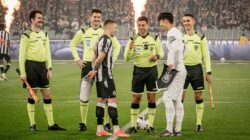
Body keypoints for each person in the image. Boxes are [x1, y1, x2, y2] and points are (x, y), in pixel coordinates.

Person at [69, 9, 120, 132]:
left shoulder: (105, 31)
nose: (96, 19)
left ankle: (106, 124)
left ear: (101, 19)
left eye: (98, 17)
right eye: (94, 17)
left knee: (105, 95)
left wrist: (111, 63)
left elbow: (117, 47)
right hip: (87, 66)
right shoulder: (83, 31)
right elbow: (72, 45)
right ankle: (83, 123)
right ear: (90, 17)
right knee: (84, 95)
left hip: (101, 67)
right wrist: (77, 60)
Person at [19, 10, 66, 131]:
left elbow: (48, 53)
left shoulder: (45, 34)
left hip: (42, 67)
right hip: (31, 66)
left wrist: (49, 68)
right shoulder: (26, 35)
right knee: (32, 94)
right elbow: (21, 56)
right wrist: (23, 73)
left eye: (41, 18)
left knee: (47, 94)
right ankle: (32, 124)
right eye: (39, 18)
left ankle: (51, 124)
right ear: (32, 20)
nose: (41, 19)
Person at [86, 19, 130, 137]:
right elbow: (100, 58)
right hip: (105, 75)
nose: (116, 30)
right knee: (112, 99)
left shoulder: (98, 40)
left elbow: (93, 57)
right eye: (115, 28)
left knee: (101, 100)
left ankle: (99, 129)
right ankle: (116, 129)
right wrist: (95, 70)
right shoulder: (106, 40)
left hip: (100, 76)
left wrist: (94, 70)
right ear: (109, 28)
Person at [124, 16, 164, 134]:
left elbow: (161, 52)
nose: (141, 27)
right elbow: (126, 58)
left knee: (151, 98)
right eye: (139, 25)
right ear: (137, 26)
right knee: (136, 98)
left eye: (143, 25)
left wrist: (156, 57)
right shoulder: (133, 39)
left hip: (152, 71)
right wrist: (130, 49)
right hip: (138, 71)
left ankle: (150, 126)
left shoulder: (155, 37)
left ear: (147, 25)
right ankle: (133, 126)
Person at [157, 12, 187, 137]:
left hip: (176, 70)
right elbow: (186, 49)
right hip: (181, 67)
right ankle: (178, 130)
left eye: (161, 23)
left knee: (167, 97)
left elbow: (176, 49)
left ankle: (169, 130)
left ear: (165, 21)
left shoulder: (171, 33)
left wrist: (172, 65)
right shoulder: (178, 32)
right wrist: (180, 61)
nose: (160, 26)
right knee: (177, 100)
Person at [182, 14, 212, 132]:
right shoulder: (180, 37)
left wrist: (208, 71)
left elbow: (206, 56)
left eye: (188, 21)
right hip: (182, 70)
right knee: (180, 97)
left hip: (196, 70)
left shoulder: (201, 38)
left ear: (193, 21)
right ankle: (178, 124)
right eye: (184, 21)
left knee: (198, 95)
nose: (186, 23)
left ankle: (199, 124)